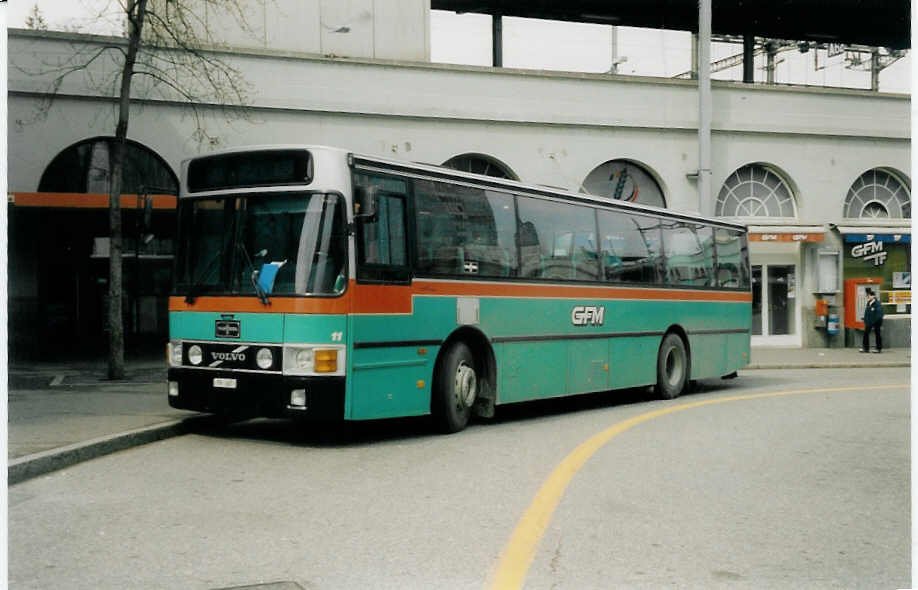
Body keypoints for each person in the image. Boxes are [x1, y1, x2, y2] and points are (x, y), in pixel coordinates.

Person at [861, 288, 884, 353]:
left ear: (873, 296)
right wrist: (865, 319)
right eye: (867, 296)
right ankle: (866, 348)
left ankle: (878, 348)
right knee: (866, 333)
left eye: (869, 296)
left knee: (877, 334)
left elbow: (879, 313)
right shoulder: (869, 303)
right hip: (869, 321)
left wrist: (875, 320)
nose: (868, 297)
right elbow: (867, 312)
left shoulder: (877, 303)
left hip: (876, 321)